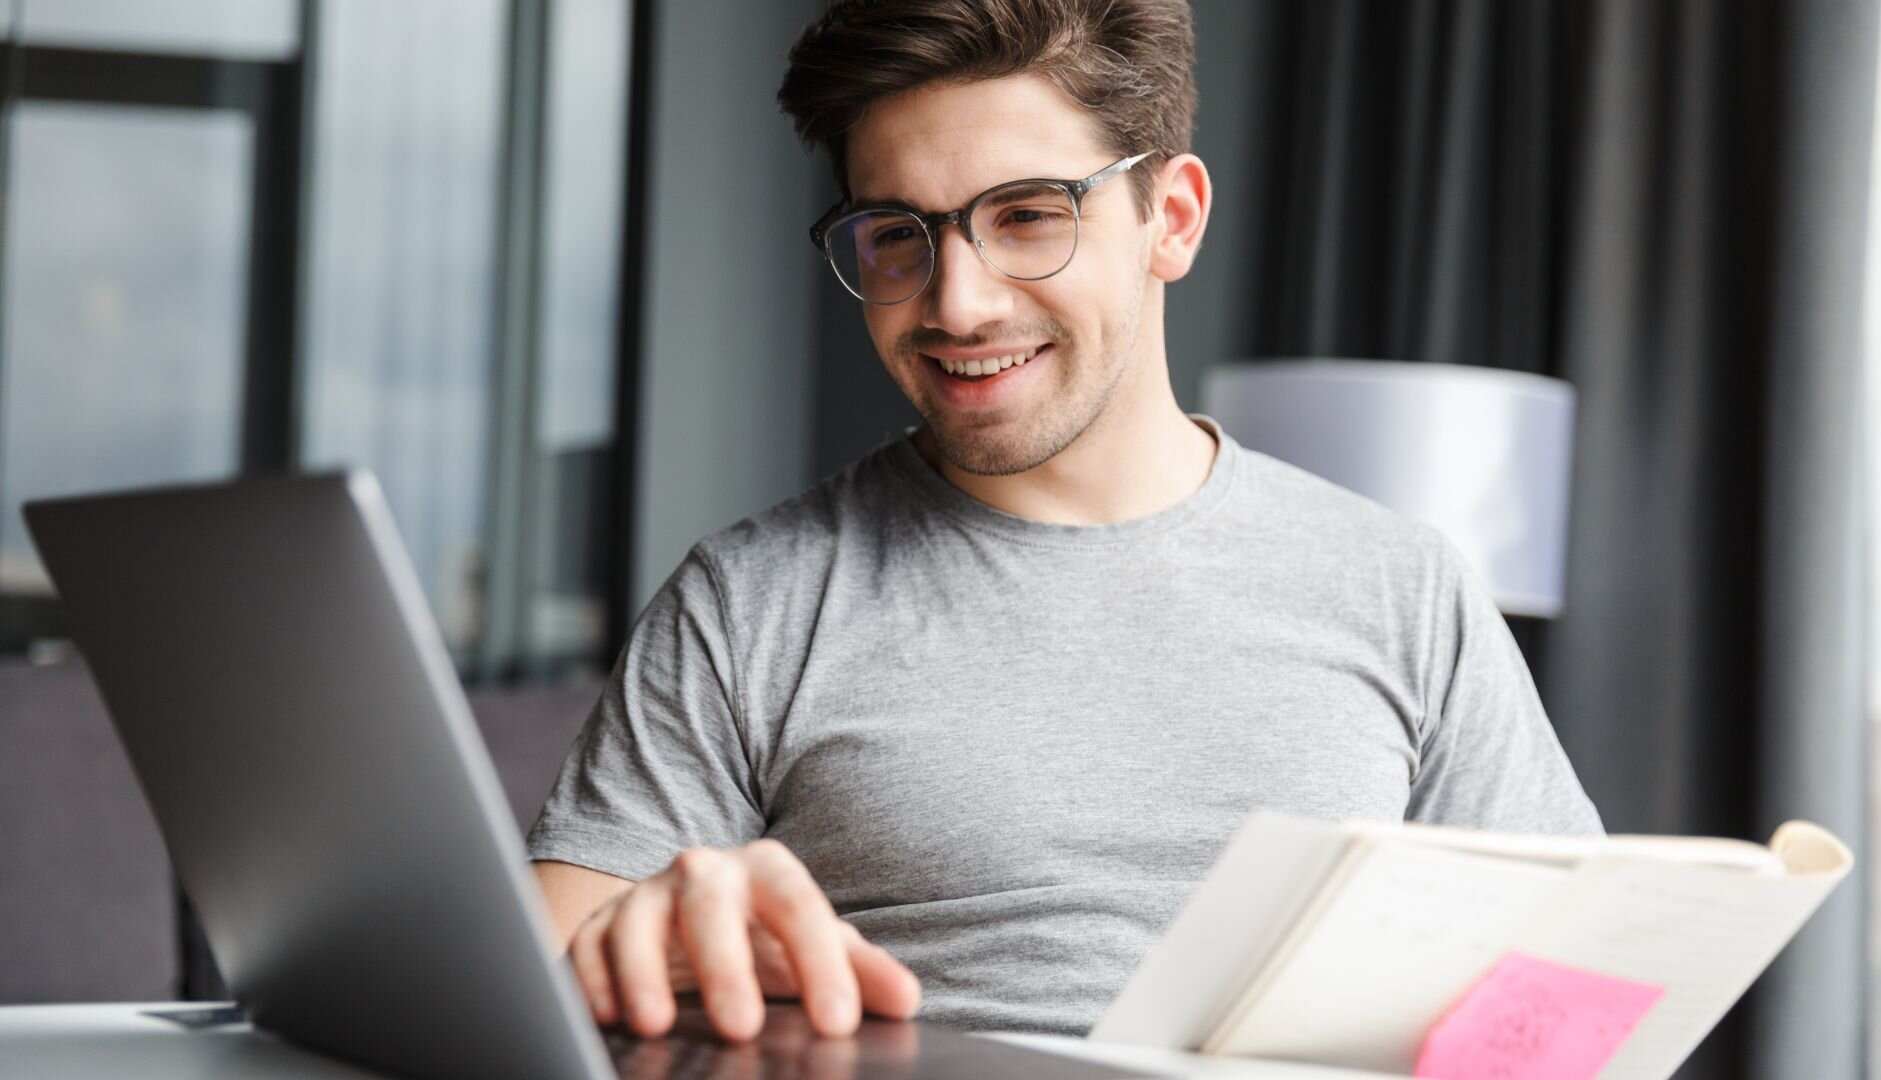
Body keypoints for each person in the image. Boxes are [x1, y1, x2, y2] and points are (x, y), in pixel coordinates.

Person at [528, 0, 1602, 1048]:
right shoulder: (749, 600)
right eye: (898, 235)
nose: (957, 302)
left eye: (1028, 215)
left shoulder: (1404, 588)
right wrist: (641, 939)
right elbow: (523, 987)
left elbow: (1580, 996)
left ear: (1171, 219)